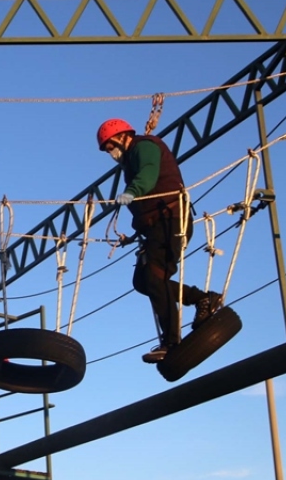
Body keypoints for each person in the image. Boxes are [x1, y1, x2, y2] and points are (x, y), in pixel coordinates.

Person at [96, 118, 227, 363]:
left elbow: (148, 173)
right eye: (107, 150)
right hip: (156, 227)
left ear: (123, 137)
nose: (110, 153)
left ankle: (171, 342)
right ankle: (201, 299)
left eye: (110, 146)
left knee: (155, 279)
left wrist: (132, 192)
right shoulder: (129, 161)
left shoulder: (144, 146)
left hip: (170, 221)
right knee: (143, 282)